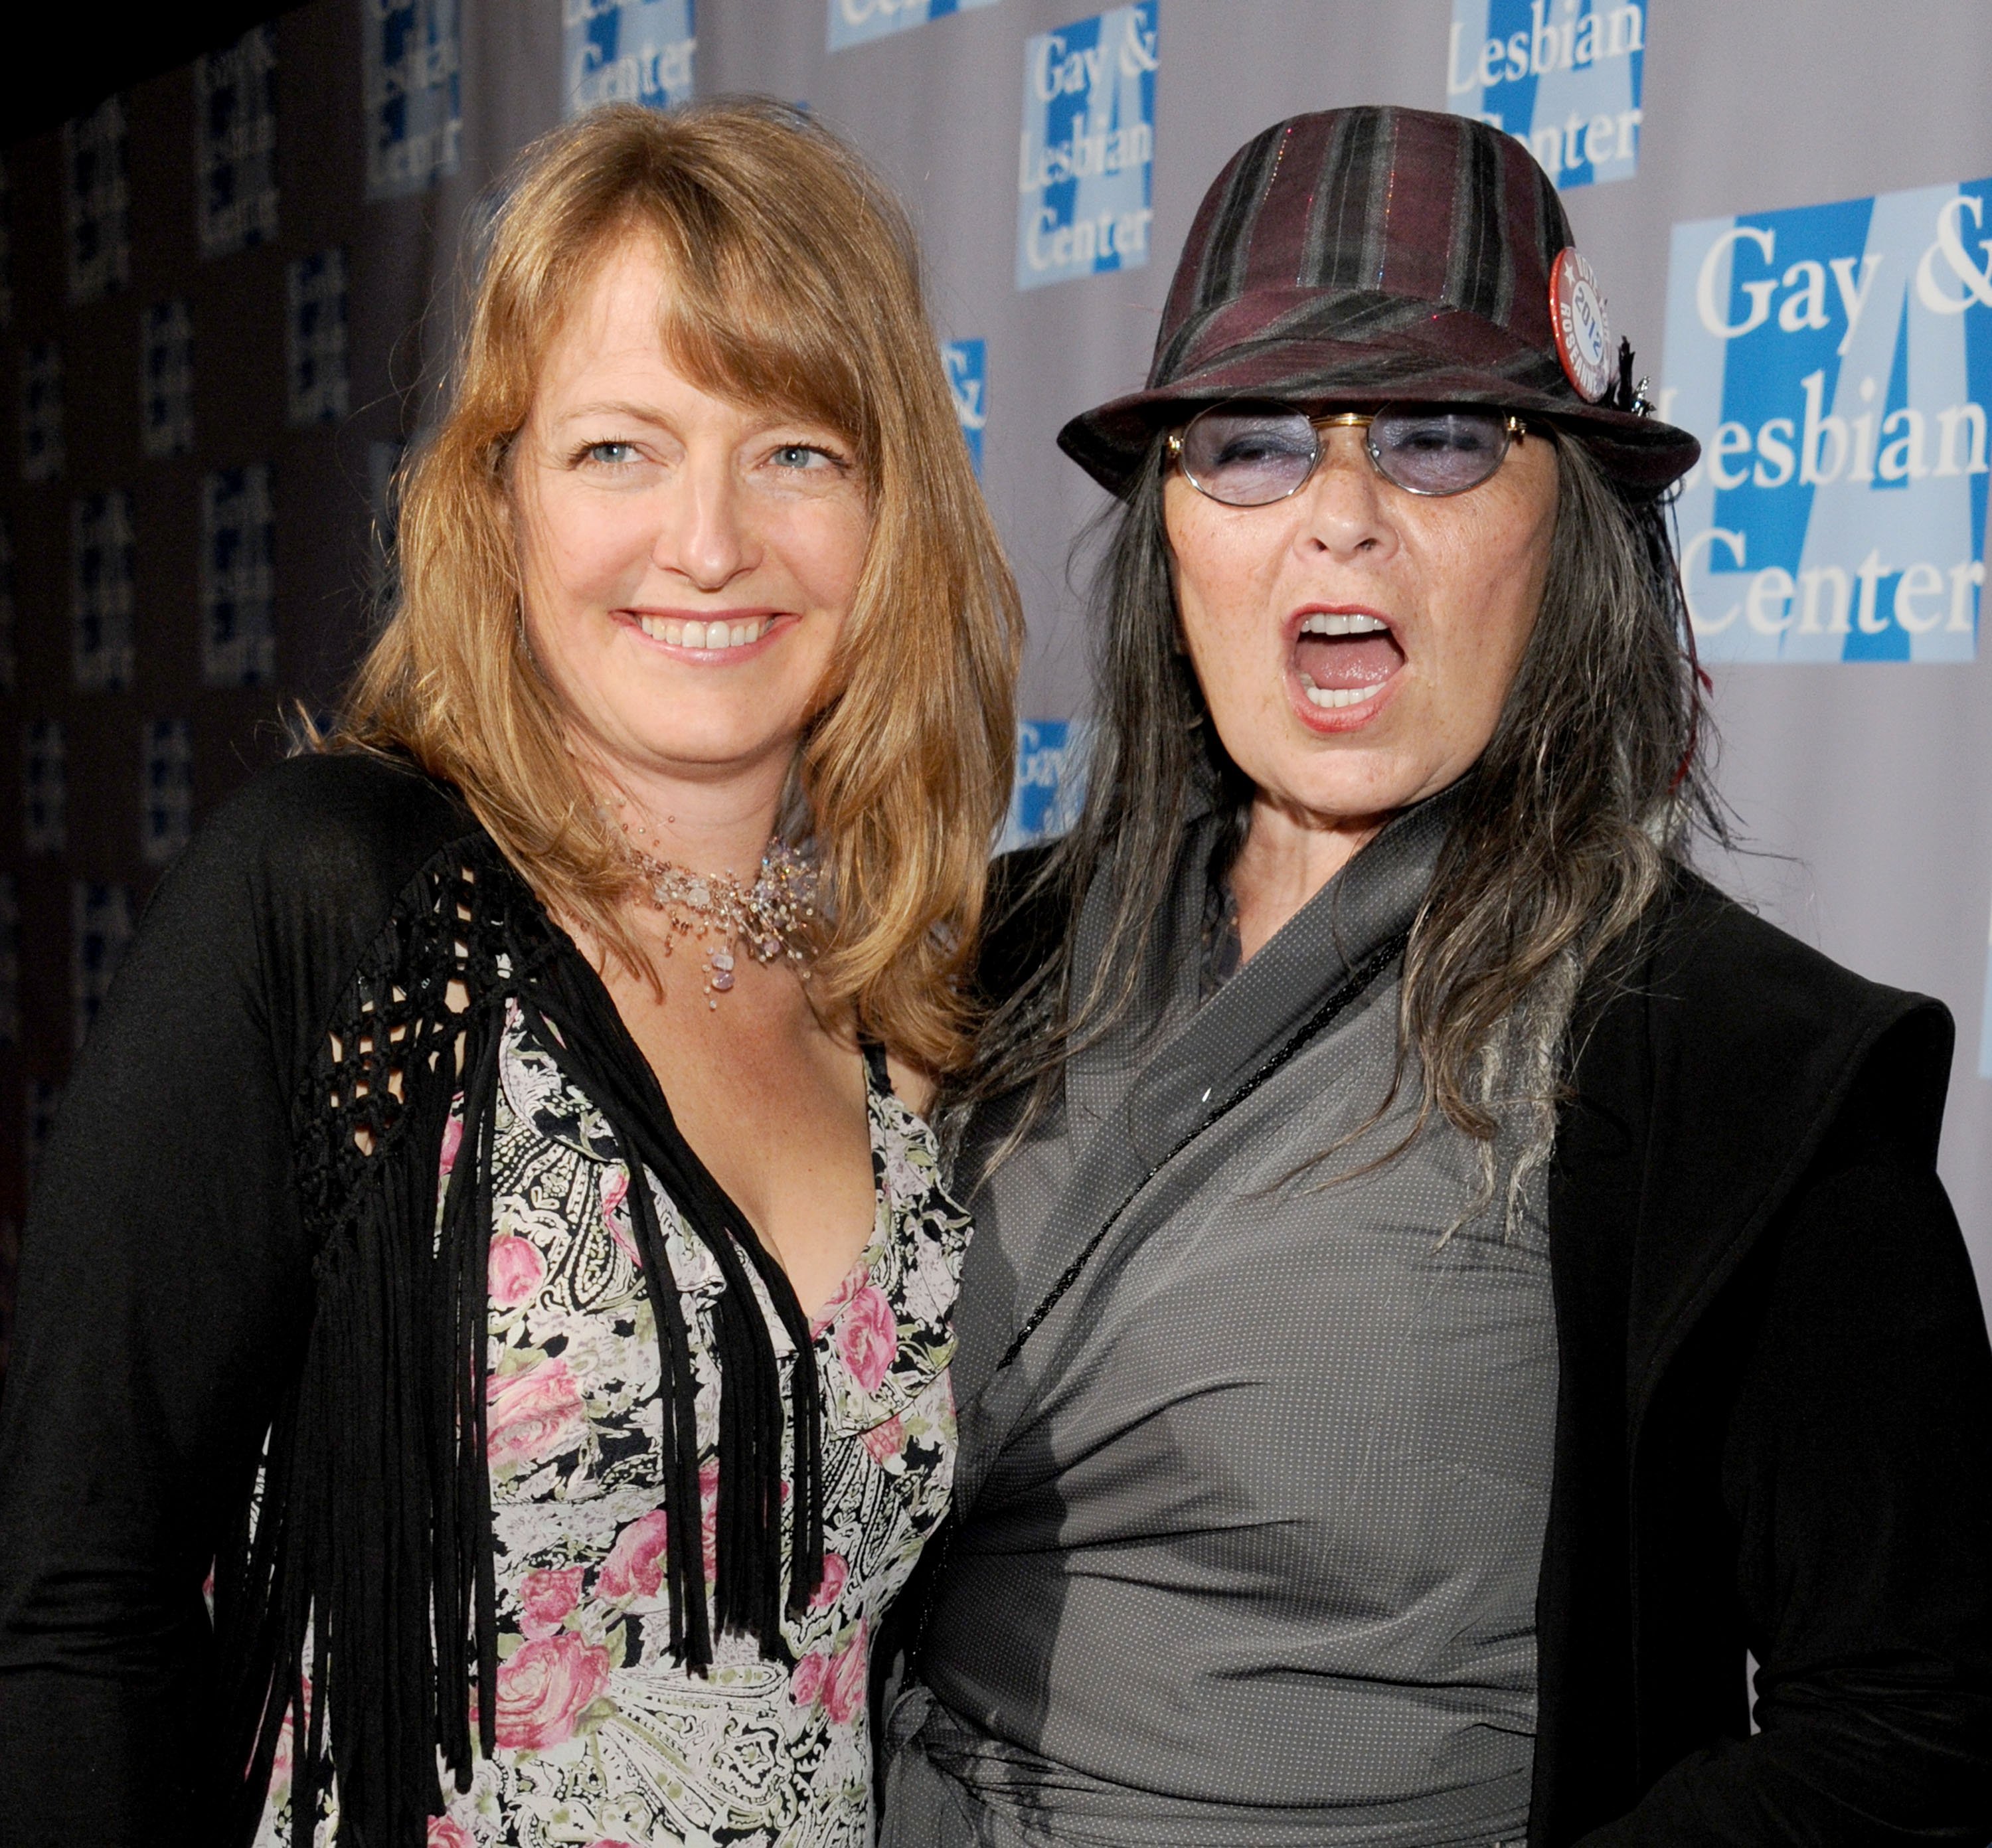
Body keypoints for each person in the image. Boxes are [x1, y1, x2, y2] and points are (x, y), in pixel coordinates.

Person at [882, 106, 1992, 1846]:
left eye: (1437, 441)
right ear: (1173, 530)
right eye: (1251, 448)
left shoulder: (1743, 1070)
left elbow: (1919, 1719)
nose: (1339, 519)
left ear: (1573, 535)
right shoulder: (975, 955)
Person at [0, 100, 1019, 1848]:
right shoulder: (336, 909)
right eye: (620, 449)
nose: (710, 541)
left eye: (796, 452)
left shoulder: (916, 1012)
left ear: (892, 514)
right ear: (501, 498)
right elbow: (71, 1618)